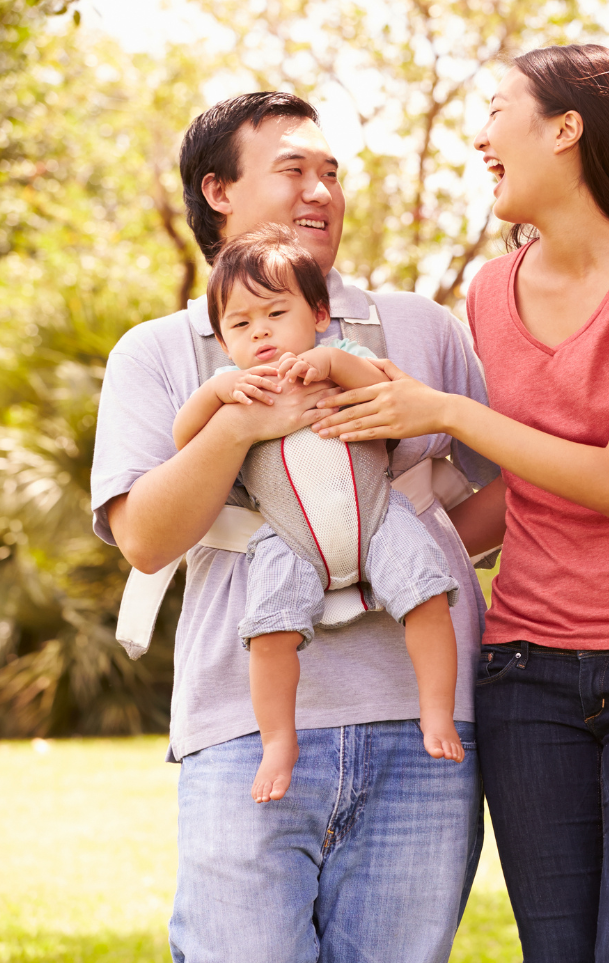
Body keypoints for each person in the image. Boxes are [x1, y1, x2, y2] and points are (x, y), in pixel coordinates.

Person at [311, 44, 609, 963]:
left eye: (498, 110)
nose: (480, 137)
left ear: (566, 128)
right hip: (525, 669)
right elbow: (512, 481)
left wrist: (447, 409)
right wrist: (368, 559)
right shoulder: (490, 290)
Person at [91, 91, 496, 963]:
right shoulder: (158, 352)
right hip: (242, 728)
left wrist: (385, 554)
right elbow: (144, 539)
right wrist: (241, 423)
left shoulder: (421, 328)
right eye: (294, 170)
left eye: (332, 173)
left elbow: (510, 484)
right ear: (219, 191)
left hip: (424, 727)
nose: (322, 191)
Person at [173, 224, 464, 805]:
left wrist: (331, 362)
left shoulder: (345, 356)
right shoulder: (231, 386)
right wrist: (217, 399)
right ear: (222, 340)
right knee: (269, 633)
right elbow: (184, 439)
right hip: (290, 537)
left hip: (377, 517)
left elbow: (382, 391)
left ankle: (437, 712)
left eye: (276, 313)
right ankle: (279, 740)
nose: (260, 332)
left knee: (428, 599)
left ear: (319, 313)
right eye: (240, 325)